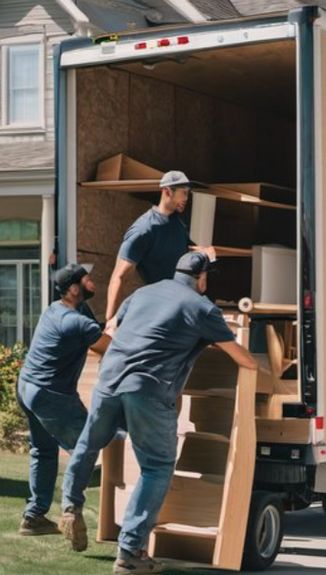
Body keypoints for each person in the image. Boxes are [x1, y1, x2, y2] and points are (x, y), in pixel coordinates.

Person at [60, 252, 257, 575]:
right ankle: (130, 551)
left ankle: (70, 505)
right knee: (157, 466)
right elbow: (242, 358)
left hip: (109, 380)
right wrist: (262, 369)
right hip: (147, 389)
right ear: (202, 278)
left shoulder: (142, 293)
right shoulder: (202, 307)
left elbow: (112, 326)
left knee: (89, 443)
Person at [17, 263, 111, 536]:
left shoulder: (62, 309)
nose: (92, 281)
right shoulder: (74, 321)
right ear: (73, 289)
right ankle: (71, 510)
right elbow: (110, 347)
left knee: (43, 450)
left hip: (28, 387)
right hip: (49, 394)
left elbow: (98, 328)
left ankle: (34, 517)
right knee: (88, 446)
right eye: (87, 279)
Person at [105, 170, 215, 326]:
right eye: (183, 193)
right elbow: (119, 276)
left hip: (183, 301)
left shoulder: (177, 222)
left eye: (188, 194)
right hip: (161, 308)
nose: (186, 199)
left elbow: (184, 248)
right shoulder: (143, 230)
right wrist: (110, 320)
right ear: (167, 191)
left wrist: (205, 252)